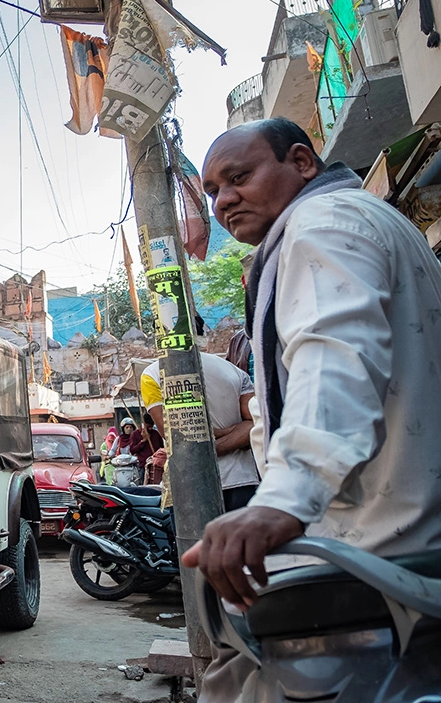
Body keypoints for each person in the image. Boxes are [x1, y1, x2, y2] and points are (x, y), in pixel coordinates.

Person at [185, 118, 441, 702]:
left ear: (301, 162)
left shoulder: (321, 224)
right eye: (213, 192)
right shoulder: (370, 221)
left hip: (376, 557)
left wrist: (280, 503)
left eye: (239, 177)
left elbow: (335, 359)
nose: (224, 201)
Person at [141, 317, 259, 511]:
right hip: (241, 480)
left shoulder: (152, 375)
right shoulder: (233, 371)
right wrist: (230, 431)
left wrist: (204, 449)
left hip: (190, 483)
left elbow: (173, 435)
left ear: (159, 337)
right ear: (200, 333)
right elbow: (253, 423)